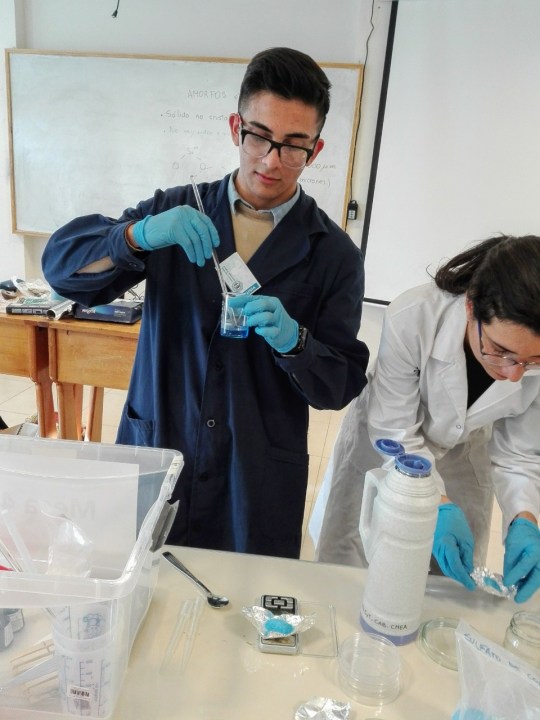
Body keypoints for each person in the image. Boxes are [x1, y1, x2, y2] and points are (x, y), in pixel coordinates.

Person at [42, 47, 369, 559]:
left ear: (316, 149)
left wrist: (297, 343)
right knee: (141, 582)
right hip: (159, 452)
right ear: (236, 127)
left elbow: (339, 386)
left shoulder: (333, 255)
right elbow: (62, 270)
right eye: (259, 136)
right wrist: (136, 236)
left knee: (243, 599)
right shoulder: (176, 210)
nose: (271, 160)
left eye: (293, 146)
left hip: (253, 480)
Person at [310, 235, 540, 602]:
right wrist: (436, 502)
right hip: (385, 444)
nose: (514, 374)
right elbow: (395, 429)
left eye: (532, 362)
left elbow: (519, 453)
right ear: (471, 308)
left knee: (449, 580)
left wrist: (523, 518)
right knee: (353, 562)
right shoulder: (415, 316)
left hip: (464, 450)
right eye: (500, 351)